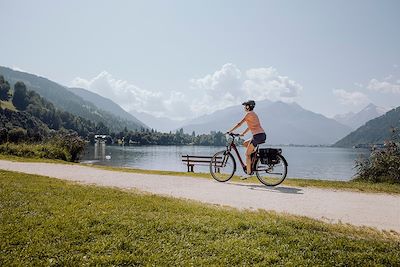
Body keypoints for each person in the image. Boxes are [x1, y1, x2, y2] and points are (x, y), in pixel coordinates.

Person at [227, 100, 266, 177]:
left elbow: (239, 124)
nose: (244, 107)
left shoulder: (248, 114)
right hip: (261, 135)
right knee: (245, 143)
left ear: (248, 107)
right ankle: (253, 158)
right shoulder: (254, 114)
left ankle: (248, 173)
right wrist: (243, 133)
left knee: (247, 154)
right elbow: (250, 126)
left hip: (257, 136)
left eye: (245, 106)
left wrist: (230, 131)